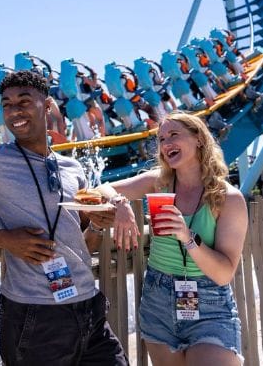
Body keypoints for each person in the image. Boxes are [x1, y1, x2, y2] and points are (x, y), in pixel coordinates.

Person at [0, 70, 128, 365]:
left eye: (24, 101)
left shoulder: (72, 168)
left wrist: (96, 224)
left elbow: (81, 244)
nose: (14, 111)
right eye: (7, 104)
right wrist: (4, 240)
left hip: (89, 307)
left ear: (48, 105)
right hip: (35, 316)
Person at [102, 111, 247, 365]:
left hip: (209, 303)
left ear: (199, 139)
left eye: (174, 135)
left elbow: (224, 273)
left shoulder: (228, 198)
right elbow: (100, 188)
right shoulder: (159, 182)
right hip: (158, 300)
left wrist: (187, 236)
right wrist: (120, 203)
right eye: (160, 139)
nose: (166, 143)